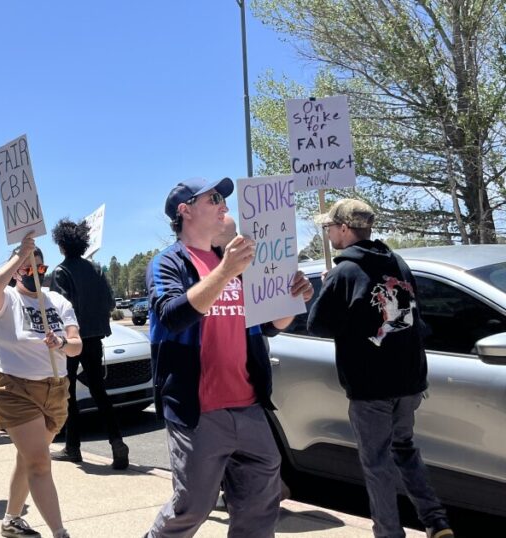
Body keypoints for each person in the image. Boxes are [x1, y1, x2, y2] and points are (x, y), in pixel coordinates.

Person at [145, 177, 313, 538]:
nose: (224, 204)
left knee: (260, 506)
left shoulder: (233, 263)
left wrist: (293, 300)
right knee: (192, 507)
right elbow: (173, 316)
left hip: (249, 406)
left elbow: (268, 326)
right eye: (213, 198)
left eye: (223, 198)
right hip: (199, 411)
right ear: (185, 210)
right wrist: (225, 272)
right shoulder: (168, 263)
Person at [307, 199, 453, 538]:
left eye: (329, 227)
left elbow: (318, 325)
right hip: (409, 380)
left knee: (377, 464)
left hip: (371, 386)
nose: (327, 232)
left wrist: (328, 288)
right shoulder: (396, 262)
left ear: (344, 228)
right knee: (404, 448)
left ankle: (389, 533)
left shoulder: (345, 272)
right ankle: (435, 520)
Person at [0, 234, 80, 538]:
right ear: (16, 272)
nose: (35, 274)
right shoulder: (8, 299)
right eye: (27, 270)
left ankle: (11, 520)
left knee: (27, 457)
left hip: (54, 389)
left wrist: (62, 342)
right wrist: (19, 256)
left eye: (40, 269)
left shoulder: (58, 300)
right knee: (40, 462)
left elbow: (77, 345)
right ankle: (60, 532)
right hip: (14, 388)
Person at [47, 218, 129, 470]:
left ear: (61, 245)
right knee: (99, 391)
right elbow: (111, 302)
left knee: (69, 393)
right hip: (94, 339)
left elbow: (61, 309)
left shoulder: (60, 272)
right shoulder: (96, 269)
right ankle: (117, 442)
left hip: (72, 339)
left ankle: (73, 447)